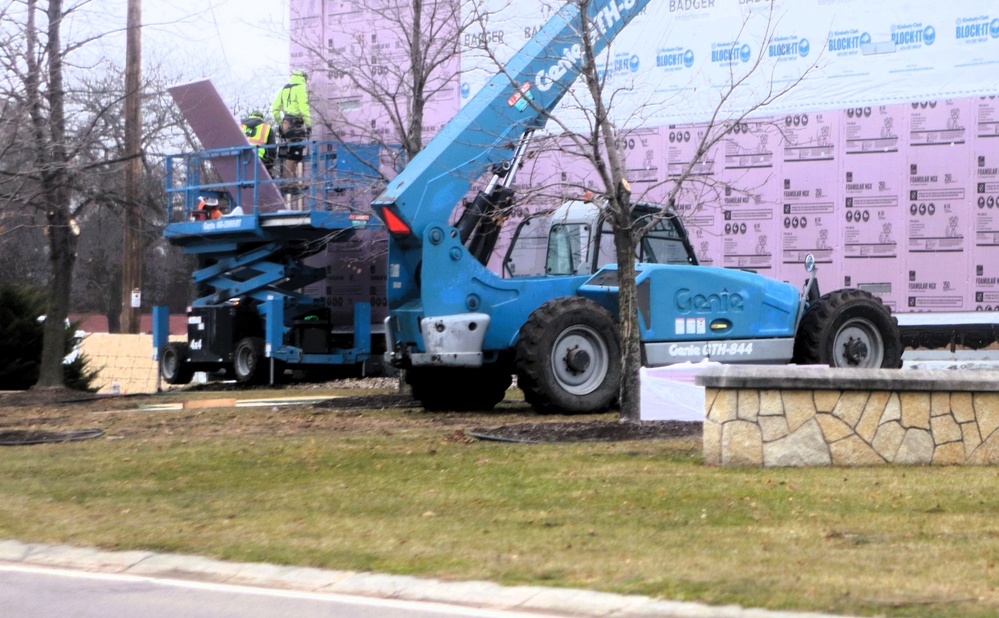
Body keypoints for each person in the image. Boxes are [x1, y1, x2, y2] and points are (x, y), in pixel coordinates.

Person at [271, 69, 312, 183]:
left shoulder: (285, 88)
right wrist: (309, 124)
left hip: (286, 123)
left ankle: (289, 182)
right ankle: (290, 183)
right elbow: (304, 109)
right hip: (295, 124)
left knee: (286, 153)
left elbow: (274, 109)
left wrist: (280, 124)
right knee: (294, 154)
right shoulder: (300, 88)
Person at [240, 110, 276, 177]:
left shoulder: (241, 127)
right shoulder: (266, 127)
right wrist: (269, 166)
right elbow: (272, 150)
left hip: (241, 159)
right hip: (258, 158)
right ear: (261, 118)